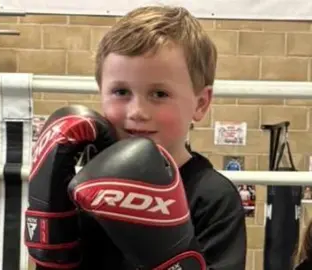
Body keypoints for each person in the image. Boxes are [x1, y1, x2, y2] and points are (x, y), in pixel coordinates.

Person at [77, 5, 247, 269]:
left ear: (200, 104)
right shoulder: (87, 188)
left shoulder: (213, 199)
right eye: (121, 92)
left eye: (159, 94)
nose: (137, 112)